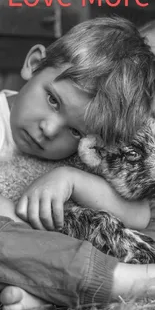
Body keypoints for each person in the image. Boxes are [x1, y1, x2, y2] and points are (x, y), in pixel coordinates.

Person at [0, 16, 155, 309]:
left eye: (75, 131)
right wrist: (18, 218)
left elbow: (138, 216)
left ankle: (45, 288)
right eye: (53, 100)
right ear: (34, 64)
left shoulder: (79, 157)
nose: (49, 129)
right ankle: (115, 281)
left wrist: (70, 178)